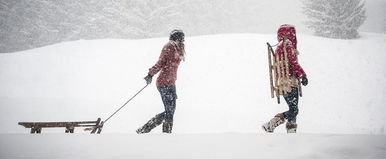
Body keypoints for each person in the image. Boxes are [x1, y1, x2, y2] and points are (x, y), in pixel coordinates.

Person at [136, 29, 185, 134]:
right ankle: (149, 130)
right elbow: (161, 62)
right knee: (170, 111)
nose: (183, 40)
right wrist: (150, 74)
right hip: (163, 83)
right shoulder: (169, 46)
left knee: (171, 111)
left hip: (171, 83)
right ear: (177, 37)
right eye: (182, 38)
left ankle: (152, 131)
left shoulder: (177, 48)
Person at [262, 24, 308, 133]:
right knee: (294, 109)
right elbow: (293, 62)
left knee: (293, 109)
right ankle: (271, 124)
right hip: (290, 81)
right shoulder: (288, 45)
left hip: (281, 82)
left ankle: (290, 132)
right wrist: (303, 75)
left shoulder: (279, 46)